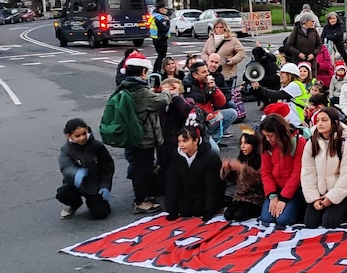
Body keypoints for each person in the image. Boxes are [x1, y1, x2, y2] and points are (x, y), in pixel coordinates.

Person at [116, 51, 171, 213]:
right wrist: (168, 91)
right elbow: (161, 101)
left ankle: (142, 195)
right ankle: (140, 200)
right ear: (143, 72)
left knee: (137, 165)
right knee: (143, 168)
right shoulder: (140, 91)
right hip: (142, 137)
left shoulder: (126, 85)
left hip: (131, 133)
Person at [300, 107, 347, 228]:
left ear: (334, 122)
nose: (320, 123)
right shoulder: (312, 143)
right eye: (318, 120)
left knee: (329, 223)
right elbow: (307, 172)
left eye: (324, 120)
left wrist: (331, 197)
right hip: (319, 191)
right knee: (310, 223)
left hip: (338, 191)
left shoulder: (344, 144)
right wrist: (314, 198)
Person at [164, 123, 225, 221]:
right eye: (179, 141)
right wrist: (172, 210)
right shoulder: (176, 157)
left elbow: (213, 186)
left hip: (202, 195)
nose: (181, 145)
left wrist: (210, 210)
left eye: (185, 141)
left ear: (196, 140)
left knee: (199, 210)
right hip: (186, 196)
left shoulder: (210, 157)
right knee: (185, 211)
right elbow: (172, 184)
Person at [57, 118, 114, 220]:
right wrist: (76, 173)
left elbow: (108, 166)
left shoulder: (97, 146)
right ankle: (75, 203)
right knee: (63, 194)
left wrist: (105, 185)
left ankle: (96, 201)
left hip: (94, 184)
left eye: (84, 133)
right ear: (69, 136)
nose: (82, 138)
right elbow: (66, 166)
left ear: (87, 130)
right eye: (77, 136)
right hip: (75, 183)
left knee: (101, 213)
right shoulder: (66, 149)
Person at [259, 114, 307, 228]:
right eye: (265, 136)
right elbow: (265, 172)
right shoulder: (267, 145)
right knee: (266, 219)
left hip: (294, 190)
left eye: (270, 136)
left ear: (279, 132)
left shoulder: (298, 142)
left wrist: (284, 198)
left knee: (284, 220)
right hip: (276, 188)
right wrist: (272, 195)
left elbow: (297, 173)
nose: (268, 139)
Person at [185, 61, 238, 142]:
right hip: (200, 121)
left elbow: (221, 103)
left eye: (207, 71)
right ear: (195, 75)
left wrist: (214, 89)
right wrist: (206, 115)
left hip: (210, 117)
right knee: (214, 150)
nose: (207, 74)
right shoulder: (188, 86)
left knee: (232, 113)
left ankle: (214, 138)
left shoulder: (208, 83)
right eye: (204, 72)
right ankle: (206, 139)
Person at [220, 131, 265, 222]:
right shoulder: (241, 157)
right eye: (241, 143)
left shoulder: (260, 159)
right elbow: (234, 180)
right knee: (228, 215)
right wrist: (227, 170)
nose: (242, 146)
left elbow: (258, 181)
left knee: (239, 215)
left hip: (255, 197)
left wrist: (242, 168)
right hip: (240, 196)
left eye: (246, 143)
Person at [200, 19, 246, 90]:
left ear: (225, 28)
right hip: (211, 73)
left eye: (221, 27)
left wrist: (232, 60)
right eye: (217, 27)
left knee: (225, 95)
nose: (219, 29)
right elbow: (204, 52)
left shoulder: (232, 40)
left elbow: (241, 52)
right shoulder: (210, 39)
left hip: (226, 73)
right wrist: (207, 59)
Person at [150, 2, 171, 72]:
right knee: (161, 55)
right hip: (160, 39)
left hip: (157, 38)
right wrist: (168, 23)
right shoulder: (159, 18)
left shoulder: (155, 16)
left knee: (161, 55)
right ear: (160, 9)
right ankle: (157, 69)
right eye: (165, 8)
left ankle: (157, 69)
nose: (166, 10)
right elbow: (164, 29)